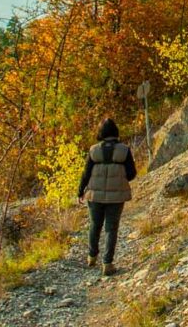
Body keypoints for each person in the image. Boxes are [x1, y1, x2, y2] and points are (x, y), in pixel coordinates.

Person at [77, 117, 136, 275]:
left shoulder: (93, 150)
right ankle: (107, 263)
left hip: (94, 196)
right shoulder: (124, 150)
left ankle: (91, 256)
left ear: (101, 132)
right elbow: (132, 174)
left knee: (94, 224)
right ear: (115, 132)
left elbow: (86, 173)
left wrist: (80, 191)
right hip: (116, 197)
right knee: (111, 228)